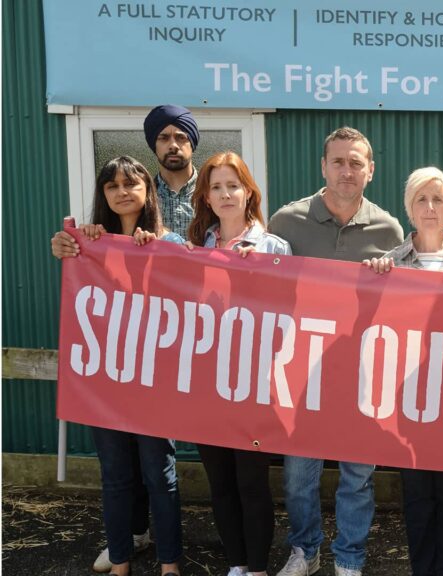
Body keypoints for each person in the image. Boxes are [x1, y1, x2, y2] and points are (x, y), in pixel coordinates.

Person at [269, 127, 403, 576]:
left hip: (361, 374)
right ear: (323, 166)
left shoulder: (388, 228)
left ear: (371, 170)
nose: (347, 170)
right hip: (301, 372)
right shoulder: (286, 221)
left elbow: (401, 306)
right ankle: (305, 551)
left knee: (357, 477)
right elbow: (264, 291)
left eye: (356, 162)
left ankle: (349, 557)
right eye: (339, 161)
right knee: (298, 477)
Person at [50, 156, 184, 576]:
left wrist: (158, 252)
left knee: (159, 472)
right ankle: (121, 559)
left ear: (148, 191)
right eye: (113, 186)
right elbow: (67, 255)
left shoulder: (172, 241)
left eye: (132, 183)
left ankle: (170, 562)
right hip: (104, 379)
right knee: (115, 473)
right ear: (103, 194)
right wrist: (68, 243)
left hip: (153, 378)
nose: (123, 191)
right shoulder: (92, 242)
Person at [363, 167, 443, 576]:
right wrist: (371, 283)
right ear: (409, 209)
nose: (430, 208)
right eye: (421, 200)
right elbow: (366, 322)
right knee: (416, 496)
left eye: (439, 200)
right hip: (408, 399)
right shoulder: (388, 263)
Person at [185, 152, 290, 576]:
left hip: (252, 385)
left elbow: (290, 316)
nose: (225, 194)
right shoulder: (193, 247)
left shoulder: (274, 247)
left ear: (248, 191)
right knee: (221, 483)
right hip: (206, 384)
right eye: (216, 187)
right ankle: (236, 563)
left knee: (251, 482)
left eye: (233, 185)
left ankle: (259, 567)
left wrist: (260, 277)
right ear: (206, 197)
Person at [143, 104, 200, 236]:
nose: (173, 146)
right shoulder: (143, 196)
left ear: (192, 143)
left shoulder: (212, 192)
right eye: (164, 138)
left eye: (181, 138)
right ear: (154, 145)